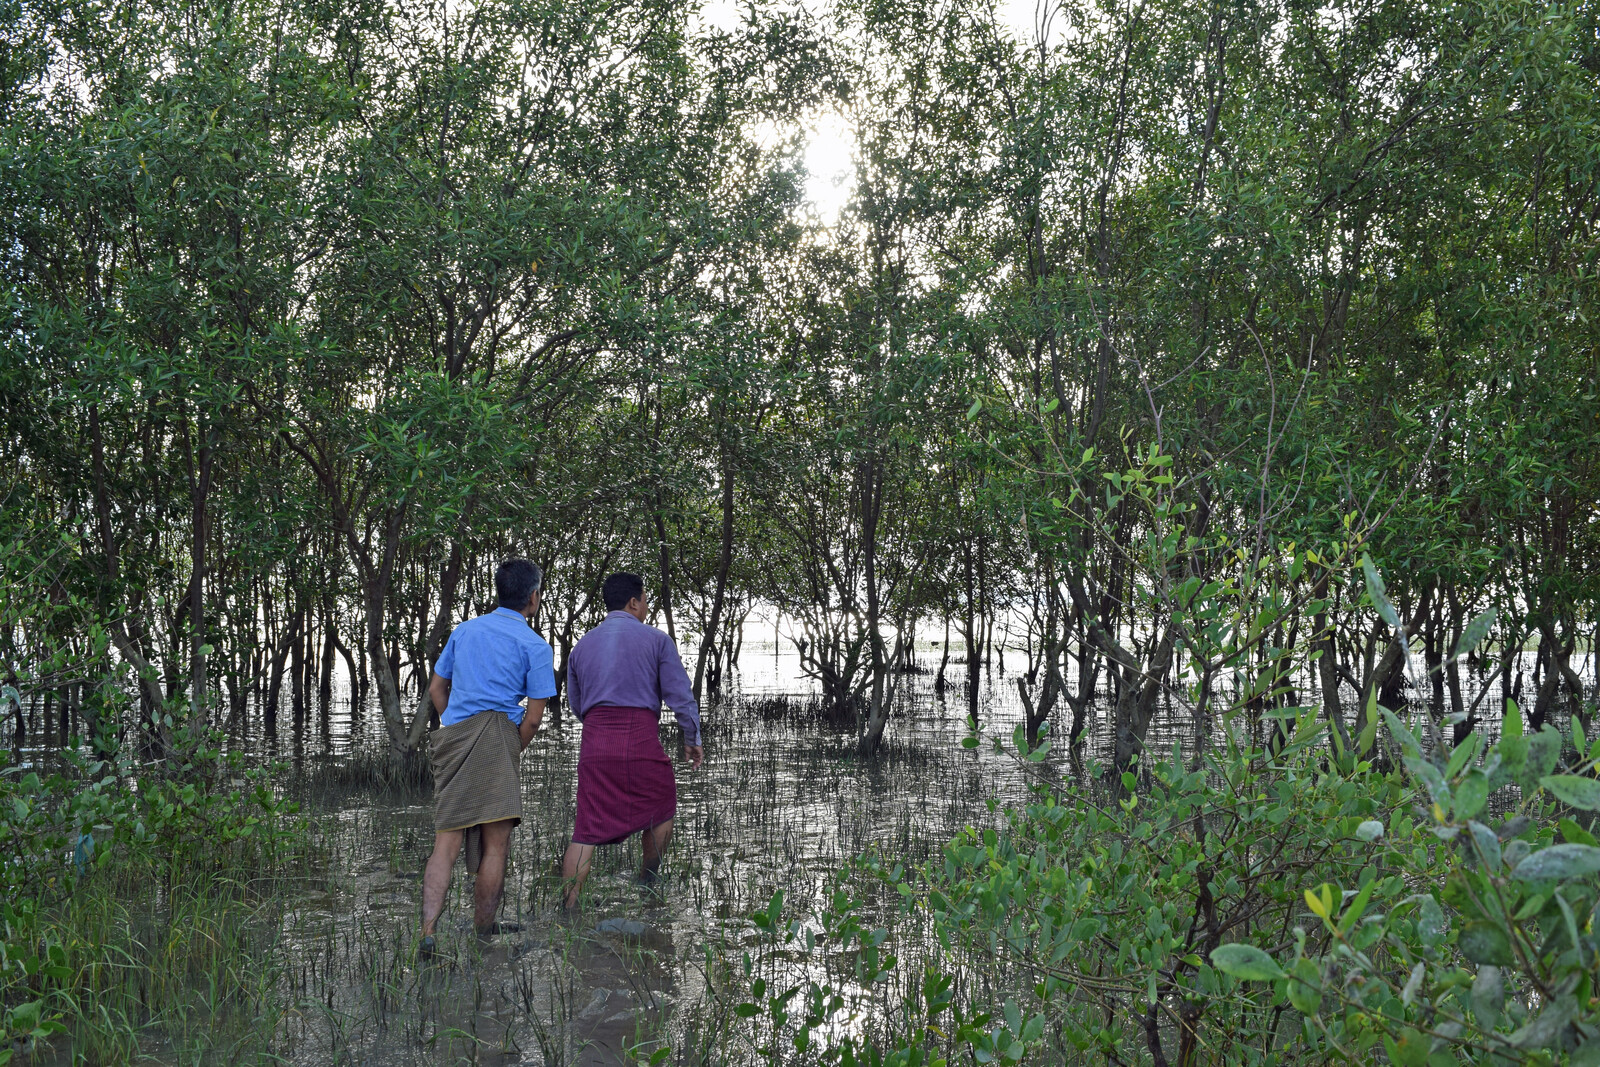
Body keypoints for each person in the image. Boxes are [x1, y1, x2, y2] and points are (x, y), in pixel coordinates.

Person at [420, 559, 556, 954]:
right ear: (533, 598)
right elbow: (532, 720)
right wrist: (509, 747)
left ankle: (428, 933)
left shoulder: (465, 631)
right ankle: (483, 933)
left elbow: (436, 690)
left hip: (454, 738)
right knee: (496, 845)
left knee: (444, 844)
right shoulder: (534, 645)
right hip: (499, 738)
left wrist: (457, 725)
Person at [561, 572, 703, 908]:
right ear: (634, 602)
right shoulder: (656, 640)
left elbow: (577, 704)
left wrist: (600, 727)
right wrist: (691, 735)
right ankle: (649, 882)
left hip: (595, 742)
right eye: (645, 600)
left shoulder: (581, 646)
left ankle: (569, 906)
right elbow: (679, 695)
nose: (647, 608)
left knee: (586, 827)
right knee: (662, 806)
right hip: (640, 738)